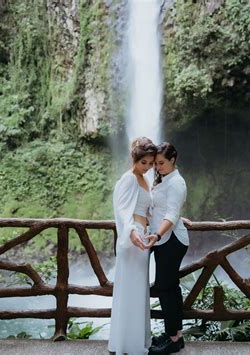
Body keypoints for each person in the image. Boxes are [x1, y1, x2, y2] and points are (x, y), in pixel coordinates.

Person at [108, 137, 159, 355]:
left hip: (142, 237)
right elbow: (121, 209)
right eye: (143, 163)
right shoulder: (129, 179)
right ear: (135, 159)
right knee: (130, 290)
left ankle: (136, 341)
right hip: (134, 239)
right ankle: (126, 344)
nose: (147, 167)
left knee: (138, 291)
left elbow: (149, 210)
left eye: (151, 163)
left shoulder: (145, 180)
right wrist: (130, 232)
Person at [147, 142, 189, 354]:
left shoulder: (176, 183)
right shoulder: (165, 180)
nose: (157, 167)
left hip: (170, 240)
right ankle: (175, 335)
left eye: (161, 163)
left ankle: (173, 339)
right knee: (169, 288)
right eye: (155, 163)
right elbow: (163, 208)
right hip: (164, 239)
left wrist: (157, 233)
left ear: (173, 159)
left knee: (166, 289)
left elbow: (171, 214)